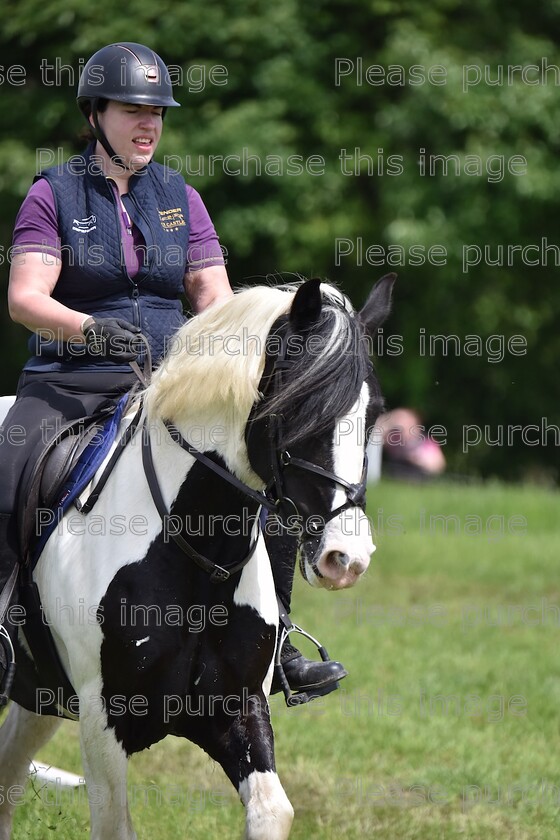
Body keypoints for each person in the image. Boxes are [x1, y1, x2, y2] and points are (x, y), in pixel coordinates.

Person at [0, 42, 345, 705]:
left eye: (157, 112)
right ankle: (6, 629)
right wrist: (88, 328)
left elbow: (214, 300)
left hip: (163, 384)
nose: (149, 124)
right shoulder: (53, 193)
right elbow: (25, 298)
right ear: (95, 112)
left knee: (262, 475)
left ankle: (278, 641)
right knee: (12, 472)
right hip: (69, 384)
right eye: (134, 109)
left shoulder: (180, 197)